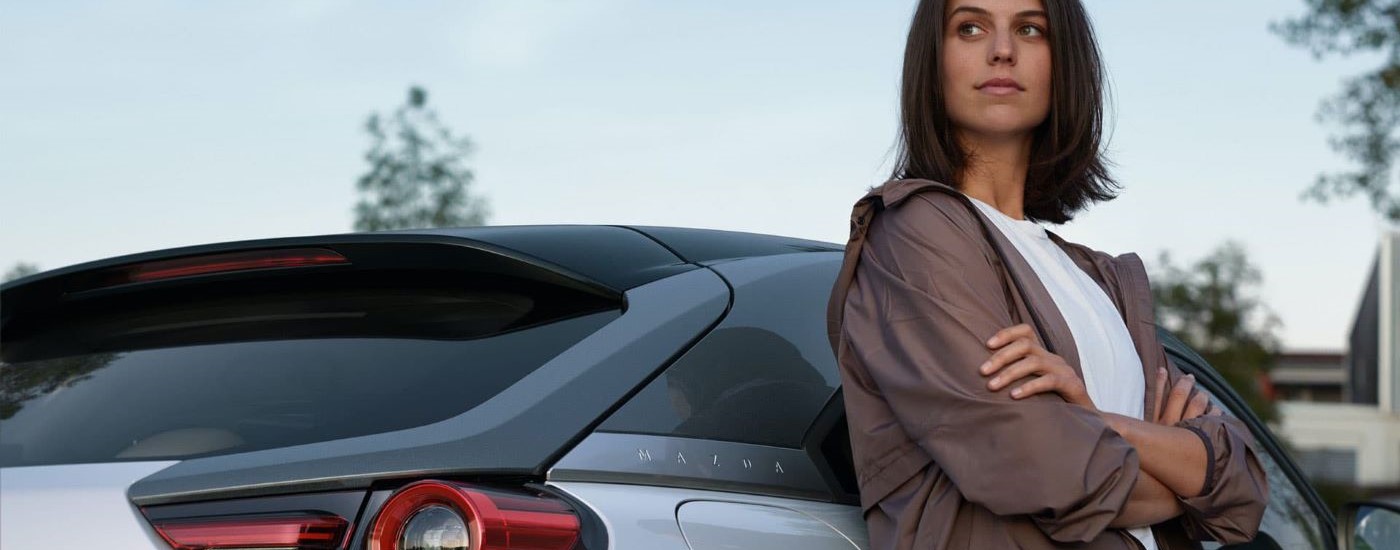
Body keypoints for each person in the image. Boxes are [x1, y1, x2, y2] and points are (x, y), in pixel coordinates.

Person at [824, 1, 1270, 548]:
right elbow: (1032, 462)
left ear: (1066, 63)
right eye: (970, 27)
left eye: (1031, 29)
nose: (1002, 50)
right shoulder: (915, 230)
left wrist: (1093, 419)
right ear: (931, 62)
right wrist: (1179, 473)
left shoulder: (1098, 278)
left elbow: (1244, 487)